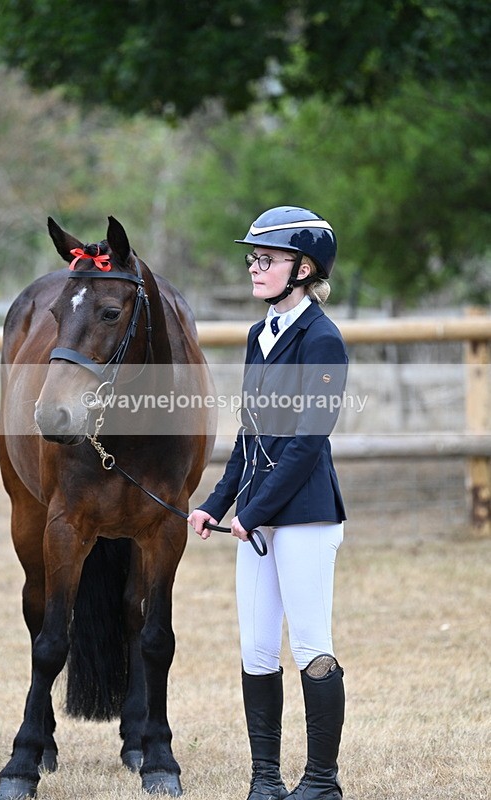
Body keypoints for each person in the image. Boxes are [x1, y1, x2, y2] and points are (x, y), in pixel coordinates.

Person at [188, 206, 348, 800]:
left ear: (303, 269)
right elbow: (251, 435)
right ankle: (265, 781)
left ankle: (321, 782)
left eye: (267, 259)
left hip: (305, 516)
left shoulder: (323, 339)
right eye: (252, 258)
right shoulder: (260, 335)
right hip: (258, 520)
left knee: (310, 646)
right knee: (256, 646)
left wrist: (251, 514)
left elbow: (309, 442)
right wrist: (217, 502)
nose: (254, 268)